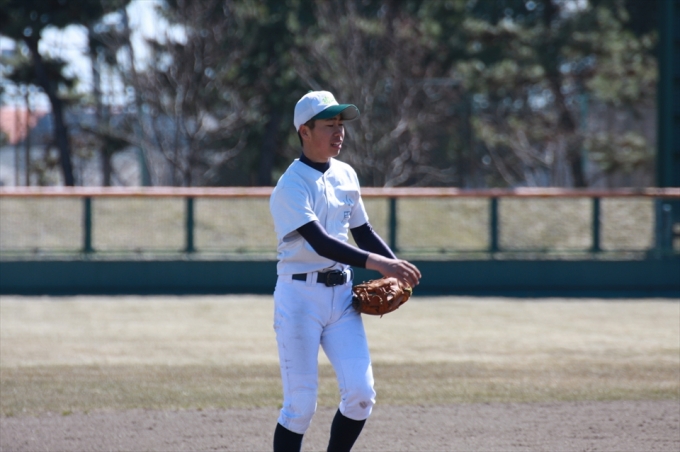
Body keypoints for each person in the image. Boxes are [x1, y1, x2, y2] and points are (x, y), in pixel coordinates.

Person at [269, 90, 421, 452]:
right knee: (300, 406)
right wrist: (382, 264)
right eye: (329, 125)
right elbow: (320, 242)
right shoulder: (291, 185)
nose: (339, 132)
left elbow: (363, 232)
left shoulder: (346, 174)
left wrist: (396, 270)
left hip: (342, 298)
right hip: (299, 298)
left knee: (360, 395)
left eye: (341, 124)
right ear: (305, 131)